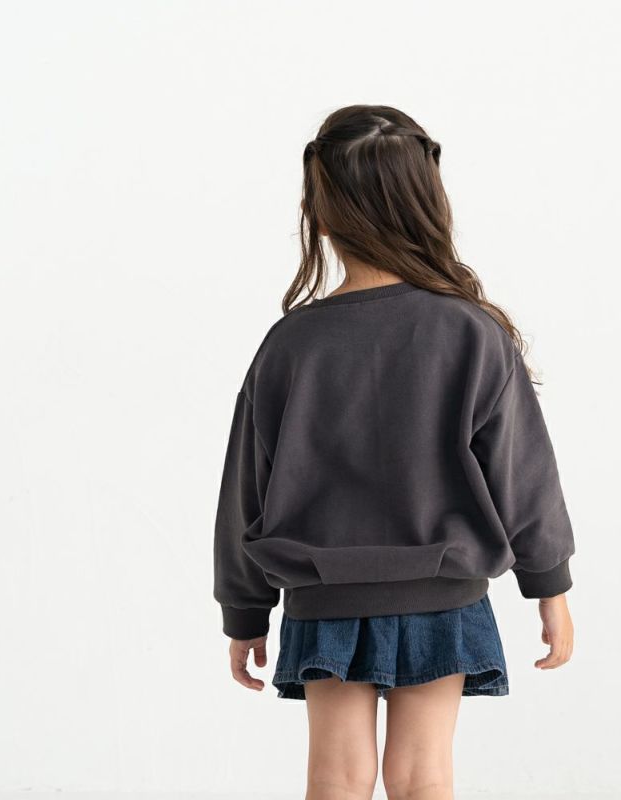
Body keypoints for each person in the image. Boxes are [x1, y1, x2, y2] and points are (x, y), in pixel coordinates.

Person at [213, 104, 576, 800]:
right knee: (423, 777)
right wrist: (549, 586)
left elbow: (245, 490)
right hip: (443, 592)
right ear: (426, 206)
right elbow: (523, 473)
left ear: (320, 216)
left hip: (324, 599)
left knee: (336, 779)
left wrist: (245, 610)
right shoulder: (471, 333)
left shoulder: (290, 345)